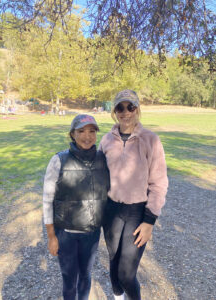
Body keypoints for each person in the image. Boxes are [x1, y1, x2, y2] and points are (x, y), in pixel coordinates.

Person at [99, 89, 168, 300]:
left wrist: (149, 221)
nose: (125, 112)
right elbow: (97, 176)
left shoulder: (151, 140)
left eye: (130, 107)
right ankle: (118, 297)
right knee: (113, 259)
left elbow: (159, 183)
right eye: (120, 107)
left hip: (137, 212)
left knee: (126, 273)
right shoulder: (106, 141)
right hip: (110, 210)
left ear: (137, 109)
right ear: (114, 111)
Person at [43, 114, 110, 300]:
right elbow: (47, 200)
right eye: (81, 131)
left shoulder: (103, 160)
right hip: (66, 234)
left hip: (92, 233)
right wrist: (51, 237)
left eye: (91, 131)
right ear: (72, 134)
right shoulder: (58, 160)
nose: (87, 136)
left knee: (86, 276)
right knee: (69, 278)